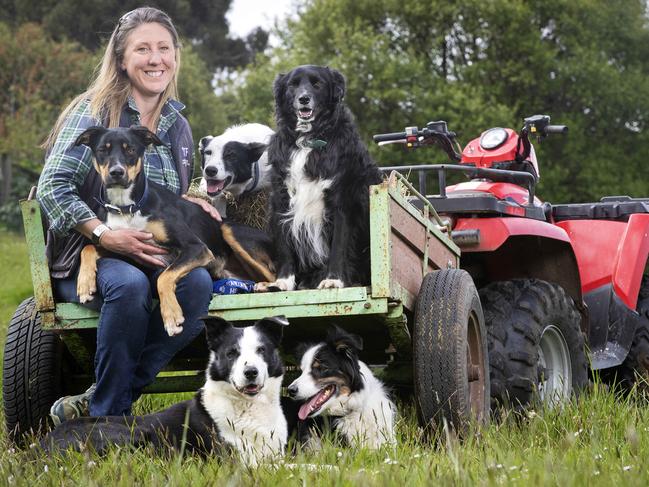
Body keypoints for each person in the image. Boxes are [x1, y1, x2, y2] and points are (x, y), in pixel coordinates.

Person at [37, 7, 219, 422]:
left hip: (154, 252)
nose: (156, 59)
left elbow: (162, 197)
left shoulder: (177, 125)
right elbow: (52, 187)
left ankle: (105, 400)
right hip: (90, 255)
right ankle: (108, 421)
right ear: (122, 59)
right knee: (130, 285)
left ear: (175, 55)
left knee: (196, 287)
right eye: (142, 49)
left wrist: (192, 197)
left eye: (163, 48)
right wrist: (102, 234)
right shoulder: (94, 110)